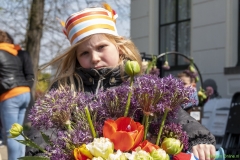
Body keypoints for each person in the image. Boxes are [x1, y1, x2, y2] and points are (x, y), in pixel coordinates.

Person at [26, 4, 216, 160]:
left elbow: (175, 116)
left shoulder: (139, 85)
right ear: (76, 58)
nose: (94, 58)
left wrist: (198, 139)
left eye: (101, 47)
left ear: (120, 48)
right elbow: (45, 128)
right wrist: (39, 152)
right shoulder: (67, 88)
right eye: (84, 53)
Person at [0, 30, 34, 160]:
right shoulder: (13, 53)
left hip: (10, 96)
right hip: (24, 93)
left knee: (11, 134)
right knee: (18, 132)